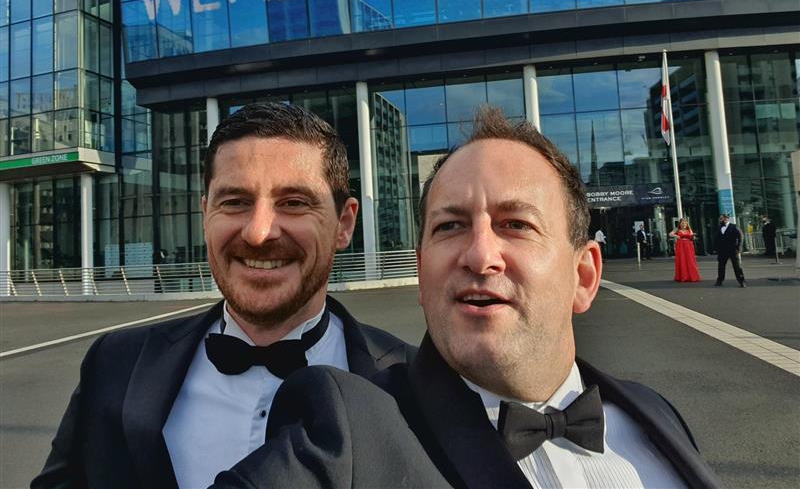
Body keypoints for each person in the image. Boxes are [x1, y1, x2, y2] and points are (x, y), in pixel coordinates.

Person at [215, 108, 721, 489]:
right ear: (421, 272)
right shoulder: (343, 428)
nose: (480, 256)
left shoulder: (655, 413)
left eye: (516, 225)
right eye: (451, 226)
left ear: (584, 275)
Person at [32, 103, 414, 489]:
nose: (258, 232)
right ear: (205, 216)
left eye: (294, 203)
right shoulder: (113, 365)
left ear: (344, 224)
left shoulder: (414, 385)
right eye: (235, 202)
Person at [714, 213, 746, 288]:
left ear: (726, 219)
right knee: (721, 266)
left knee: (736, 266)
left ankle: (741, 281)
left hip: (733, 249)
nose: (720, 220)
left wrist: (739, 248)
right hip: (722, 250)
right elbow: (716, 239)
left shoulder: (734, 226)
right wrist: (716, 249)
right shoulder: (719, 227)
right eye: (720, 219)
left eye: (721, 219)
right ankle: (720, 280)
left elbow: (741, 237)